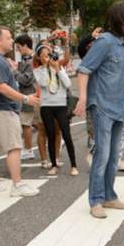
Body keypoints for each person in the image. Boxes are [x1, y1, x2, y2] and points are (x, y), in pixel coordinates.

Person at [74, 1, 124, 219]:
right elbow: (84, 69)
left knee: (114, 155)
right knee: (103, 154)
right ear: (123, 18)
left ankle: (109, 195)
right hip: (102, 107)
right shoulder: (105, 42)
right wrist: (83, 98)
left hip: (119, 108)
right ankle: (96, 199)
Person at [0, 26, 41, 198]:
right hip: (2, 110)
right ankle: (17, 184)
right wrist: (25, 98)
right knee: (14, 147)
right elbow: (2, 87)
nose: (12, 41)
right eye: (9, 38)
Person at [33, 44, 78, 177]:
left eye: (49, 54)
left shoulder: (59, 68)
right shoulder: (38, 71)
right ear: (39, 58)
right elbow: (44, 83)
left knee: (66, 134)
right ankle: (53, 164)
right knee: (51, 135)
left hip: (61, 105)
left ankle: (74, 165)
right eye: (45, 56)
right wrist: (47, 67)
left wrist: (57, 69)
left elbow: (68, 84)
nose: (48, 58)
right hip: (46, 106)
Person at [13, 34, 39, 161]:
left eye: (18, 47)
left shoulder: (31, 59)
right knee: (37, 122)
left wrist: (14, 71)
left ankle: (28, 150)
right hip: (31, 94)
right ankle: (56, 139)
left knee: (26, 124)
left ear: (25, 45)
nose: (18, 50)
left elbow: (26, 80)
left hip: (30, 94)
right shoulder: (27, 58)